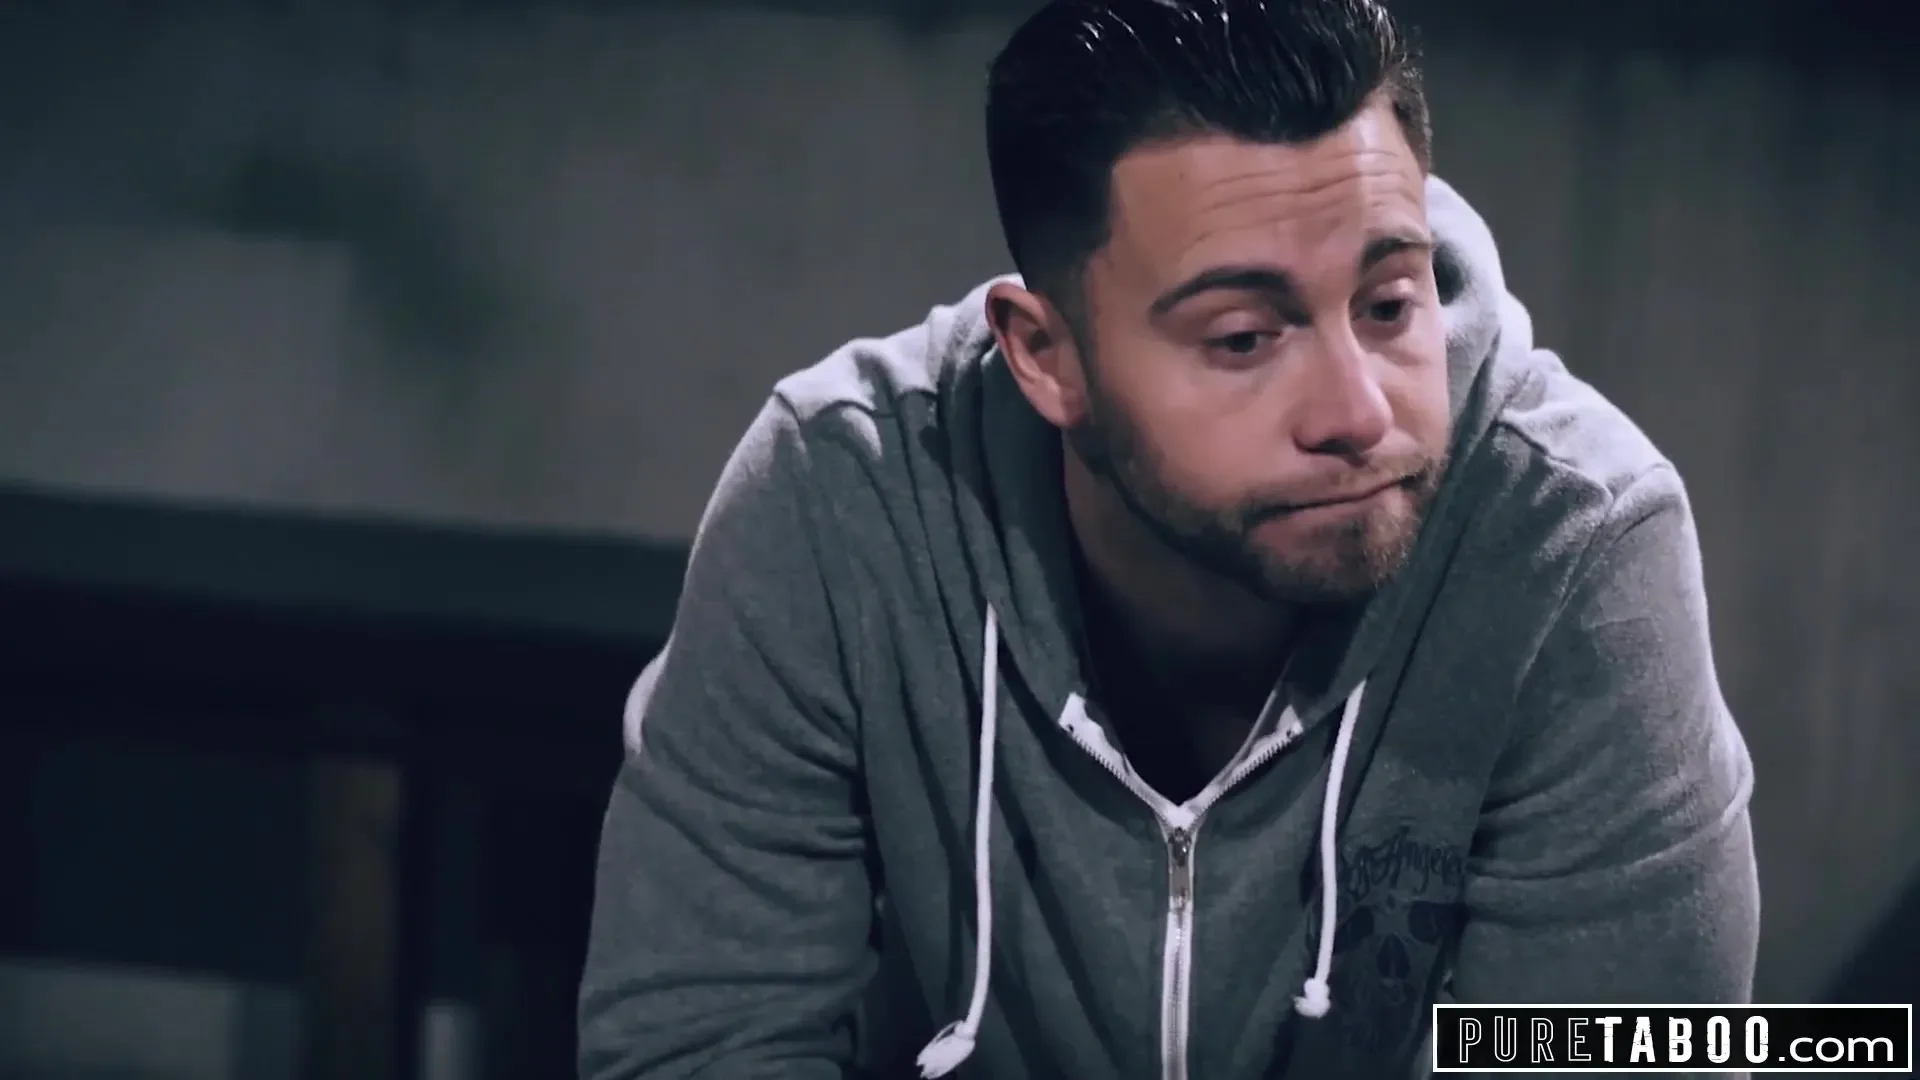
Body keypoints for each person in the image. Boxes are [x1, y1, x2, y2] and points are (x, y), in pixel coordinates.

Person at [577, 0, 1761, 1076]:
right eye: (1244, 337)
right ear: (1046, 356)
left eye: (1388, 304)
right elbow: (697, 1047)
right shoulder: (847, 496)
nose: (1357, 412)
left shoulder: (1571, 540)